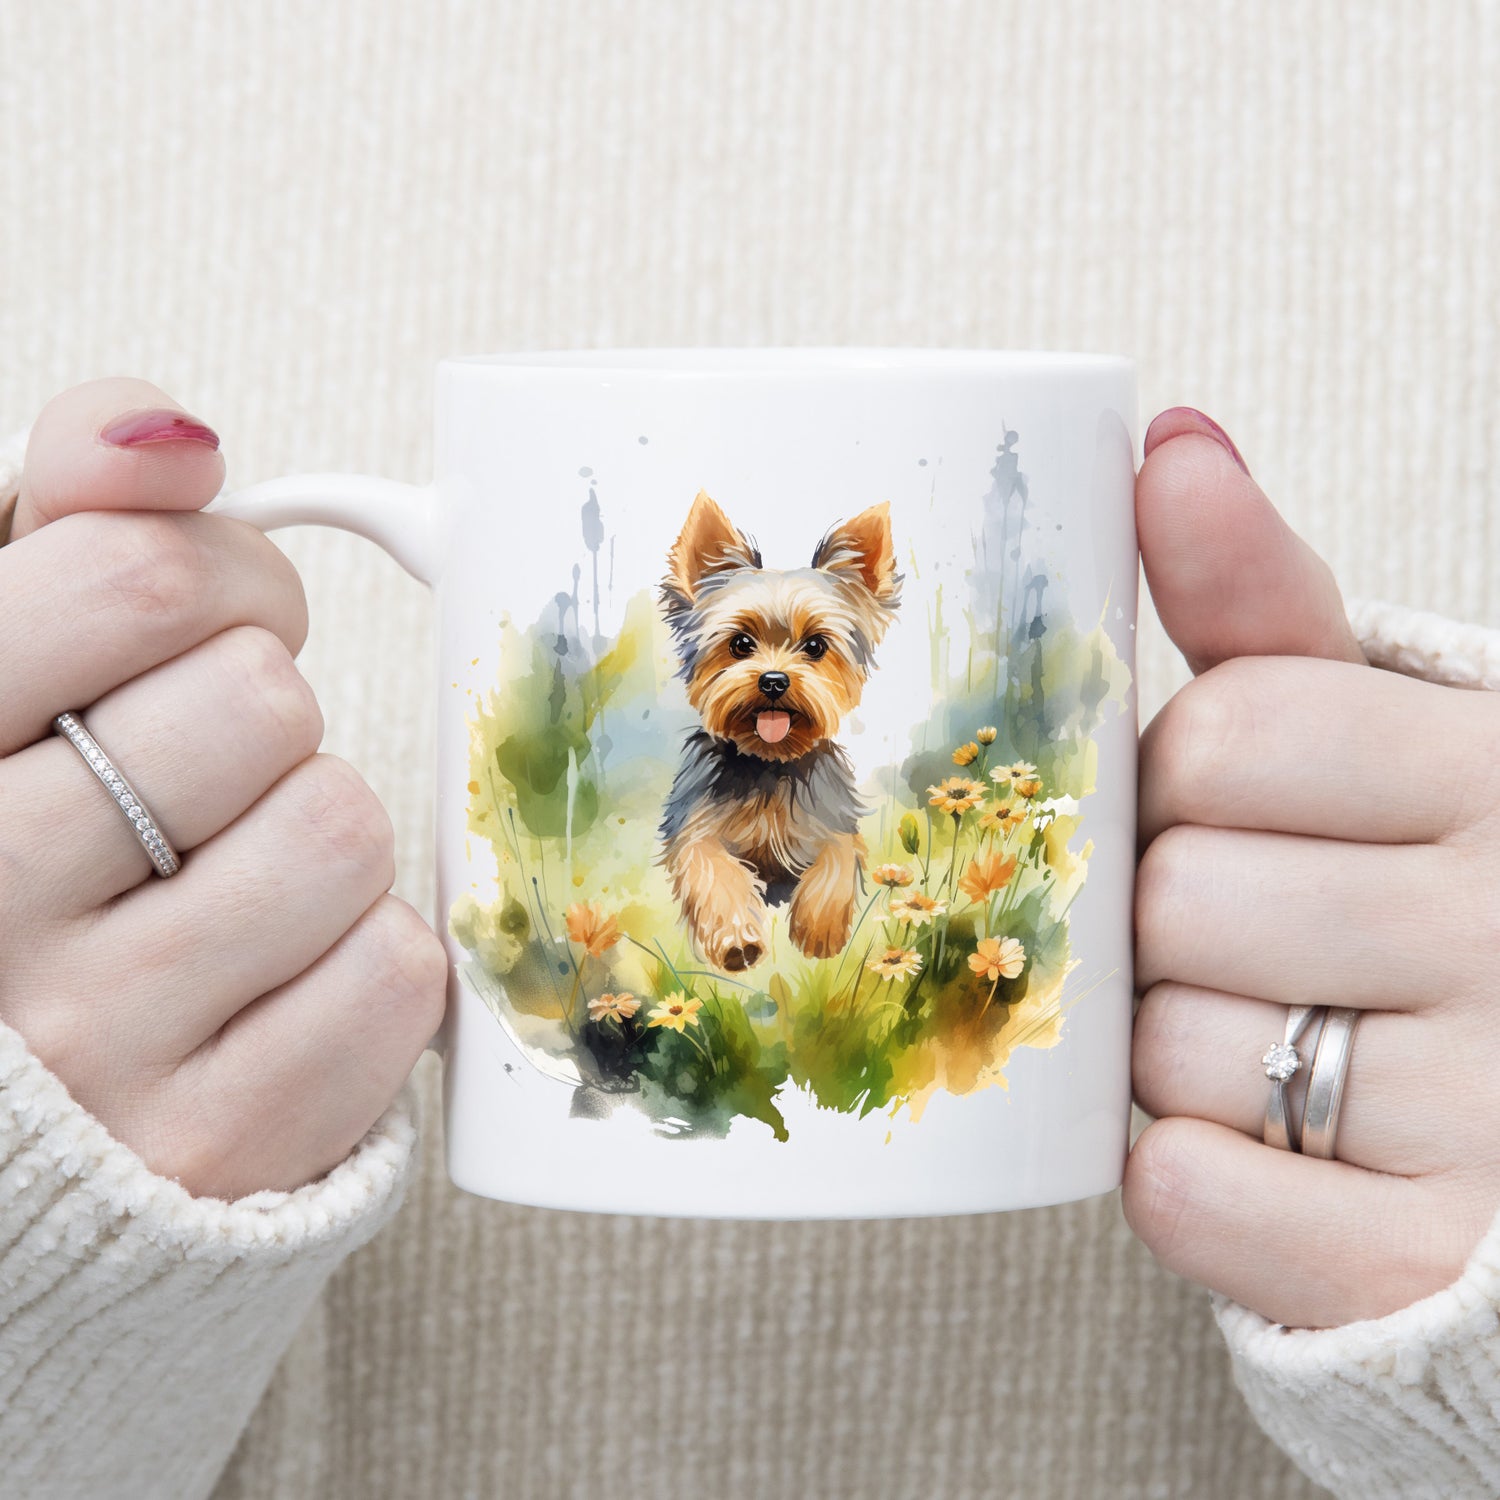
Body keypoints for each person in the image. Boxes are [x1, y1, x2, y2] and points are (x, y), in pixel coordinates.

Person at [2, 380, 1499, 1500]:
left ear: (858, 641)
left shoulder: (828, 783)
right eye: (741, 647)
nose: (775, 674)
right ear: (694, 630)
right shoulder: (716, 782)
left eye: (811, 647)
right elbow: (702, 860)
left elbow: (833, 864)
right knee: (717, 879)